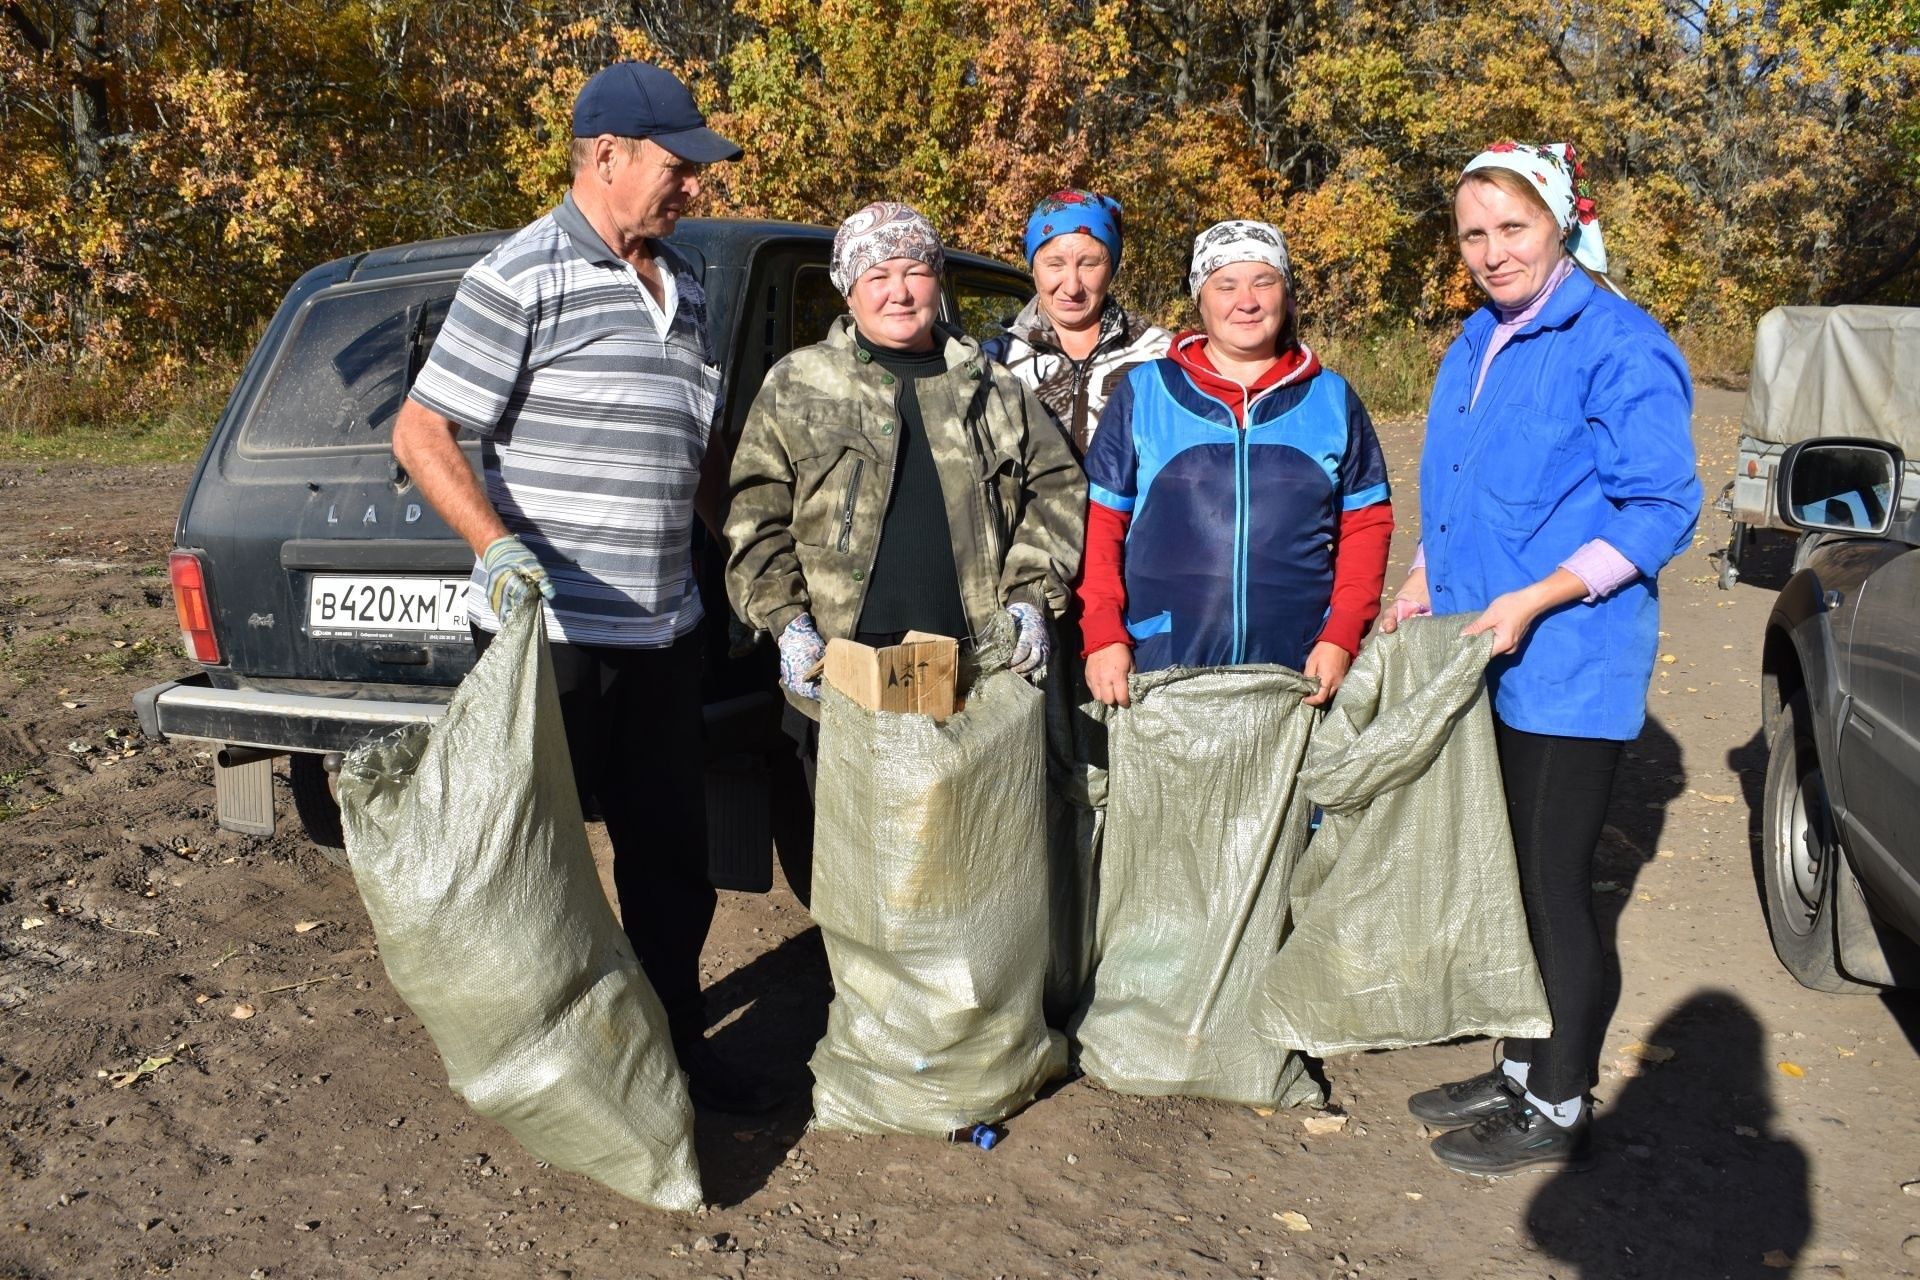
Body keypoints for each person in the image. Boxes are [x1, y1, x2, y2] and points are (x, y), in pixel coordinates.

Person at [389, 61, 763, 1112]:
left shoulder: (686, 285)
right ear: (606, 157)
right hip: (553, 638)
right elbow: (422, 430)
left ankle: (678, 1057)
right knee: (535, 869)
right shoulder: (520, 274)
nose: (693, 187)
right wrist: (495, 547)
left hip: (664, 632)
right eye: (677, 167)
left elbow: (696, 452)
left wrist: (748, 554)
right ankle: (545, 1072)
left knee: (669, 864)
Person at [1387, 141, 1700, 1175]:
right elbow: (1463, 479)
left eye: (1511, 227)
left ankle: (1558, 1101)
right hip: (1484, 644)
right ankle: (1520, 1062)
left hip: (1565, 658)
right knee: (1504, 879)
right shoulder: (1477, 337)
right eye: (1474, 233)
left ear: (1559, 223)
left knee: (1551, 885)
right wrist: (1426, 572)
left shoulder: (1616, 341)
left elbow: (1661, 505)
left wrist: (1537, 595)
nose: (1490, 251)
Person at [724, 201, 1085, 809]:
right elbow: (753, 518)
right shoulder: (799, 382)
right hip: (841, 670)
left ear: (936, 280)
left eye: (915, 271)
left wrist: (1029, 598)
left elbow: (1058, 490)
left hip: (970, 671)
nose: (899, 291)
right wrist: (787, 625)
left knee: (960, 861)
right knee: (850, 874)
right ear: (849, 290)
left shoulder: (992, 387)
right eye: (877, 275)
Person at [1077, 219, 1394, 708]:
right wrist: (1103, 635)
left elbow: (1367, 525)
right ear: (1201, 300)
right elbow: (1100, 526)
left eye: (1264, 281)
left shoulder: (1332, 398)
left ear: (1286, 295)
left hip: (1294, 668)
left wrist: (1340, 636)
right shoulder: (1147, 392)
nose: (1246, 301)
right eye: (1226, 285)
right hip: (1160, 663)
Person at [982, 189, 1172, 455]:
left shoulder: (1163, 355)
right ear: (1033, 267)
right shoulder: (991, 362)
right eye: (1055, 264)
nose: (1072, 286)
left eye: (1089, 264)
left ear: (1112, 268)